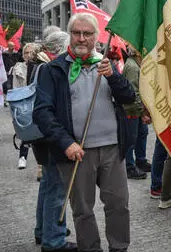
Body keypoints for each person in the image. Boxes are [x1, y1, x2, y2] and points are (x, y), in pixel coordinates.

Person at [34, 13, 135, 252]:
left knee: (118, 204)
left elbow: (129, 97)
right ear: (70, 35)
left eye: (87, 34)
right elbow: (42, 112)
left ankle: (119, 248)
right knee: (82, 210)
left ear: (96, 37)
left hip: (111, 147)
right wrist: (66, 142)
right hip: (76, 153)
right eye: (77, 33)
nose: (81, 38)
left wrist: (114, 77)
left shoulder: (105, 64)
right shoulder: (54, 69)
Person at [31, 31, 77, 252]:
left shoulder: (40, 64)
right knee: (57, 189)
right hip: (51, 135)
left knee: (48, 186)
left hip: (43, 136)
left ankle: (44, 230)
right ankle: (54, 240)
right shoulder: (49, 67)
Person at [10, 43, 42, 170]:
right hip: (23, 101)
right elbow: (15, 87)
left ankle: (40, 163)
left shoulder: (39, 66)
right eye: (26, 52)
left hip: (36, 100)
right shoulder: (18, 68)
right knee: (25, 128)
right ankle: (22, 156)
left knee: (37, 131)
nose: (28, 55)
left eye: (31, 52)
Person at [122, 46, 148, 180]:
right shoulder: (132, 66)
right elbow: (134, 92)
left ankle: (140, 161)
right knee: (131, 139)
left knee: (142, 134)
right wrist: (142, 111)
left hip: (136, 108)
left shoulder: (136, 64)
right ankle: (129, 167)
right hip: (131, 109)